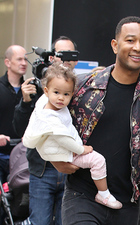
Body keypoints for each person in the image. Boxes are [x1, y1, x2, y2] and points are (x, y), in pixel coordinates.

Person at [51, 16, 140, 225]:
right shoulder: (83, 88)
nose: (138, 48)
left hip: (127, 205)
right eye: (130, 40)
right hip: (82, 196)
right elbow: (49, 120)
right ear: (115, 45)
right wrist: (55, 158)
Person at [23, 62, 122, 209]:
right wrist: (81, 150)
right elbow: (63, 139)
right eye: (56, 92)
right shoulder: (50, 116)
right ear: (45, 91)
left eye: (66, 94)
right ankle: (104, 193)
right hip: (66, 153)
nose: (61, 98)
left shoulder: (48, 102)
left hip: (64, 153)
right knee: (98, 160)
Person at [13, 36, 79, 225]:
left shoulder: (82, 89)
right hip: (42, 170)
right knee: (39, 221)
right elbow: (20, 129)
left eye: (70, 55)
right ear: (51, 57)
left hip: (70, 171)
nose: (66, 60)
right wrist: (26, 102)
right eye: (60, 55)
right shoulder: (40, 85)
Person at [0, 45, 27, 224]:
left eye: (26, 59)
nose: (24, 63)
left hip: (23, 158)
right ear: (7, 62)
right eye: (19, 59)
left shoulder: (31, 90)